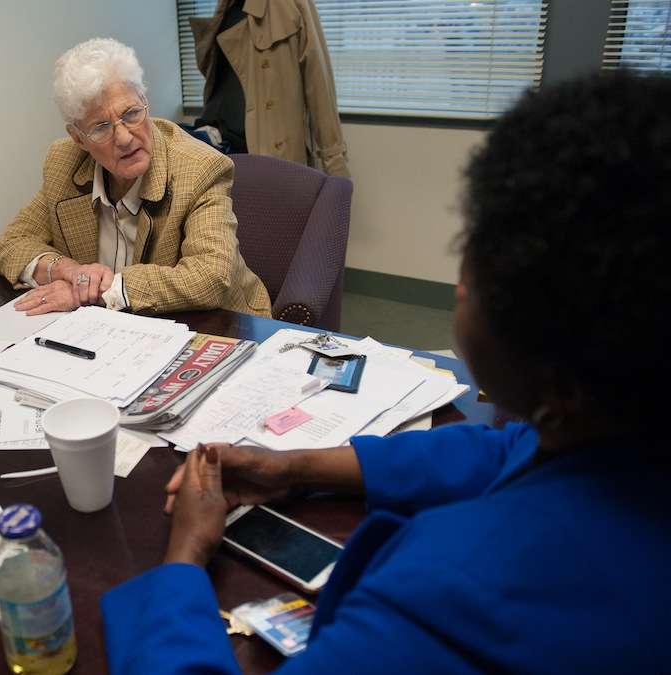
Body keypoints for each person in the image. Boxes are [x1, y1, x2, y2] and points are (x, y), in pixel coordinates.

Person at [101, 71, 671, 673]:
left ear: (553, 373)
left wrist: (186, 557)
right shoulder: (614, 427)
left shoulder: (451, 600)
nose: (458, 285)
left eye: (475, 272)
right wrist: (295, 467)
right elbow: (510, 450)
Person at [0, 38, 272, 318]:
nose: (125, 138)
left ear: (145, 102)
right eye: (101, 128)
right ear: (78, 138)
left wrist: (97, 292)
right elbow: (12, 243)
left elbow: (210, 276)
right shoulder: (63, 163)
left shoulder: (199, 168)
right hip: (117, 333)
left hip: (222, 326)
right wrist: (71, 272)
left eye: (132, 114)